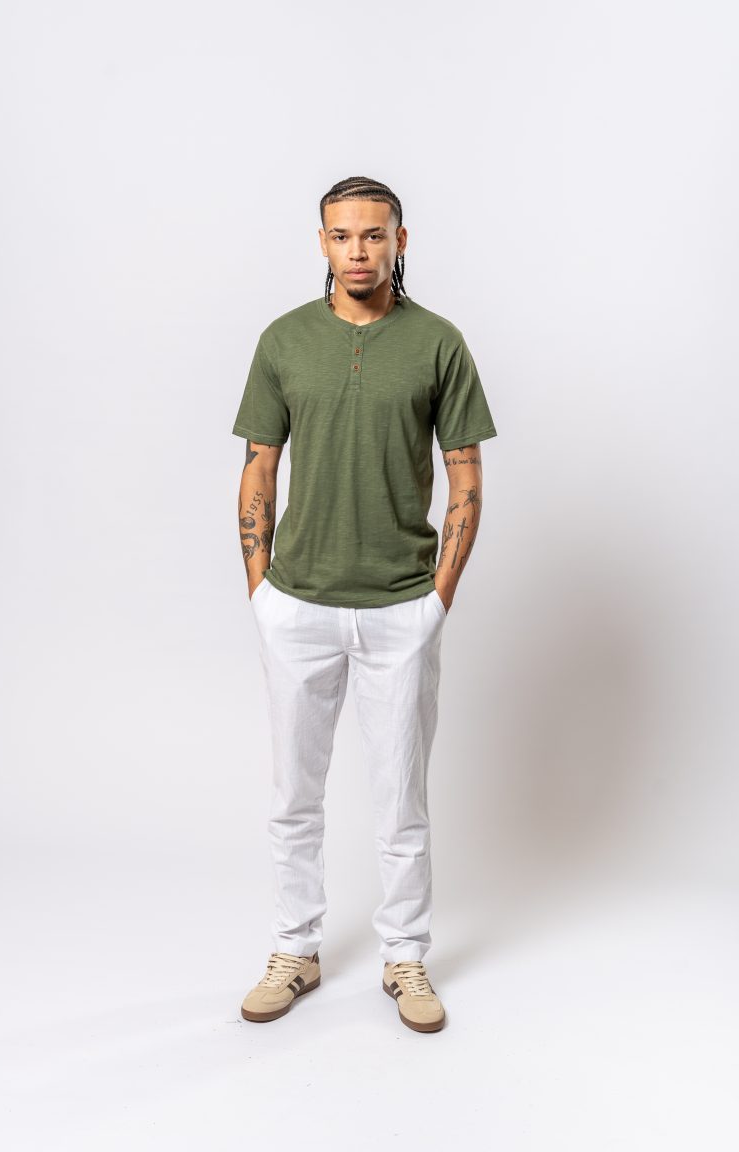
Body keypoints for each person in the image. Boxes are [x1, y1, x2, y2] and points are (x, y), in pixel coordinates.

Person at [232, 176, 497, 1033]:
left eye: (373, 235)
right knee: (293, 796)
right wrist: (261, 588)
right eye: (342, 235)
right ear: (323, 243)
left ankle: (406, 957)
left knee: (400, 800)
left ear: (399, 241)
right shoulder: (284, 340)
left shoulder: (438, 343)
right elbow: (259, 466)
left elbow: (466, 477)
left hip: (399, 608)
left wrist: (436, 600)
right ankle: (294, 949)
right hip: (297, 605)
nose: (358, 250)